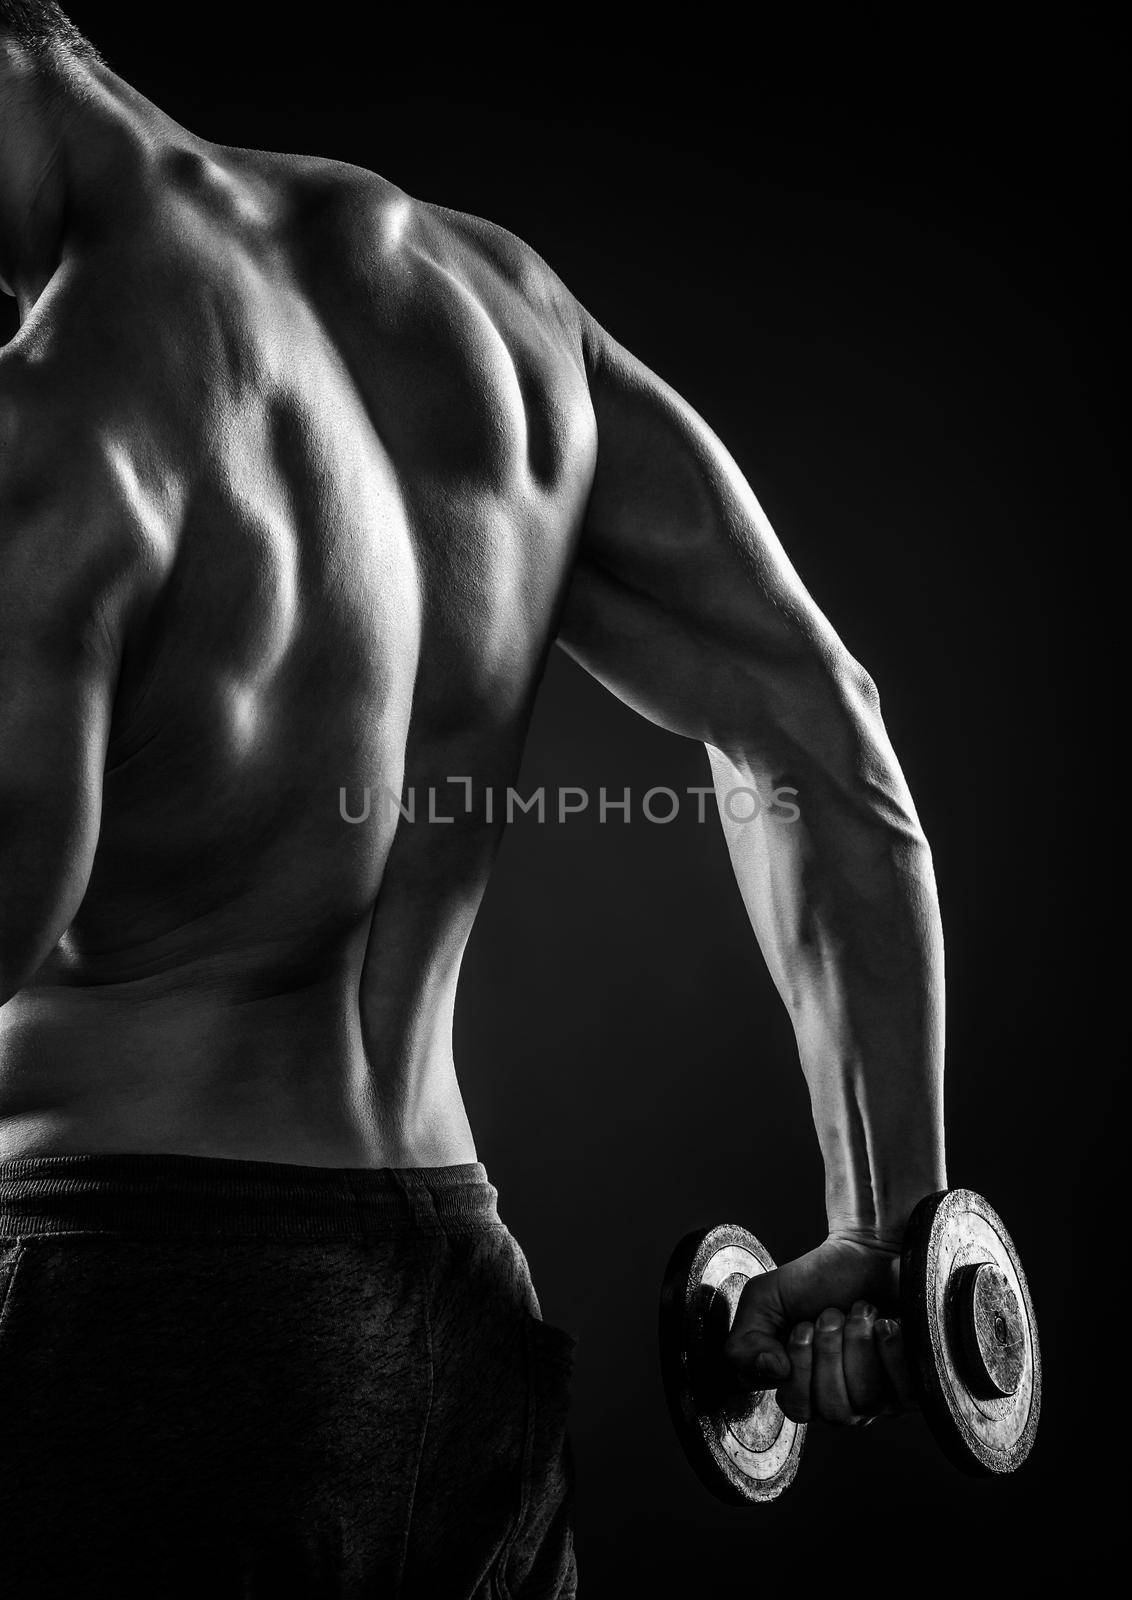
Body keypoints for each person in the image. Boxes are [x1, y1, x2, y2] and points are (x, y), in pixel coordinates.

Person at [0, 6, 945, 1595]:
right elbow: (824, 741)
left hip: (131, 1320)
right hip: (459, 1316)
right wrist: (888, 1228)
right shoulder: (491, 307)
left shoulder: (56, 418)